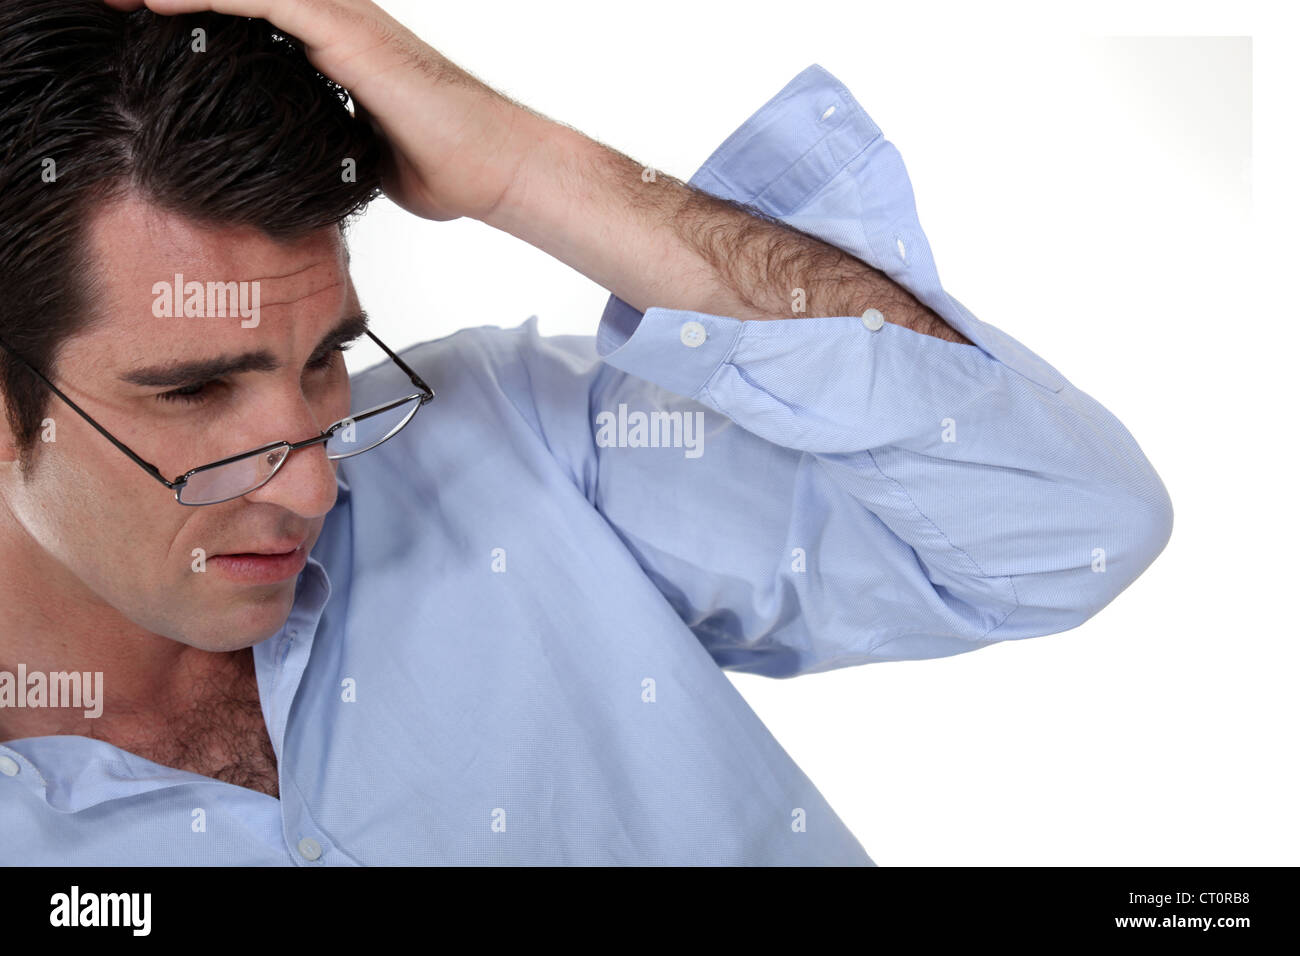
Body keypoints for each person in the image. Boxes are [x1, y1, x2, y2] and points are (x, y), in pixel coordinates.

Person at [0, 0, 1173, 866]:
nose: (312, 484)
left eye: (326, 362)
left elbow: (1063, 529)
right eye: (196, 394)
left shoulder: (516, 442)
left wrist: (523, 168)